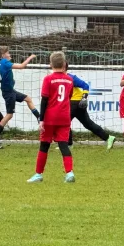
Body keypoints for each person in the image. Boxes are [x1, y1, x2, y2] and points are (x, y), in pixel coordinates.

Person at [27, 51, 75, 183]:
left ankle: (38, 174)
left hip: (50, 117)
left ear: (50, 64)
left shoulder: (48, 79)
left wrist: (41, 119)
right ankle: (69, 173)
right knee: (63, 145)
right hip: (64, 117)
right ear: (64, 64)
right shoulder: (70, 80)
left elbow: (44, 100)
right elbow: (69, 97)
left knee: (44, 145)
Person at [0, 46, 39, 147]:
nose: (10, 54)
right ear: (3, 55)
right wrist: (30, 57)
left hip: (9, 90)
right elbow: (21, 66)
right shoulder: (4, 62)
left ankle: (39, 117)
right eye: (8, 53)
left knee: (28, 99)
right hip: (9, 92)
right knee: (9, 115)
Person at [65, 62, 116, 150]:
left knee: (64, 123)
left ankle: (68, 144)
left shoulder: (71, 77)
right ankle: (108, 138)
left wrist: (84, 98)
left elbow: (85, 85)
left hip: (75, 102)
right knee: (88, 124)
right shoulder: (62, 78)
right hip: (77, 103)